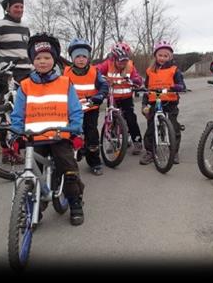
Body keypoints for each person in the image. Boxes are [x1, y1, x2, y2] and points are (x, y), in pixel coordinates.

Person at [10, 33, 85, 226]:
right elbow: (18, 114)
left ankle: (75, 202)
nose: (42, 62)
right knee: (33, 174)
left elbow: (75, 109)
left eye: (47, 58)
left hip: (60, 136)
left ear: (54, 60)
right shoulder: (25, 86)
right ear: (32, 61)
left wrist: (75, 129)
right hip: (34, 139)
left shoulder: (65, 83)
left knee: (69, 169)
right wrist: (16, 133)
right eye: (38, 58)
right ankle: (35, 207)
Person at [0, 0, 34, 163]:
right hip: (8, 73)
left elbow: (29, 51)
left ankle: (25, 146)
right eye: (16, 6)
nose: (20, 9)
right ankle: (6, 151)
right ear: (7, 8)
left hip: (28, 73)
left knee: (29, 111)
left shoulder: (25, 27)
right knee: (8, 112)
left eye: (21, 6)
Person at [63, 38, 109, 176]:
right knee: (68, 136)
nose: (81, 59)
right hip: (71, 111)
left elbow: (104, 85)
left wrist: (100, 96)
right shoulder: (65, 73)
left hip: (90, 109)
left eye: (84, 56)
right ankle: (67, 164)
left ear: (88, 58)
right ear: (72, 58)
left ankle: (94, 162)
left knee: (92, 136)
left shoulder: (95, 72)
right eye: (77, 56)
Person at [140, 40, 186, 165]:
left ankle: (174, 152)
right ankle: (150, 151)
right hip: (155, 101)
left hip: (170, 102)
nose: (162, 58)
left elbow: (182, 85)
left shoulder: (174, 70)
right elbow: (146, 88)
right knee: (151, 126)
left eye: (166, 56)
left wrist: (177, 87)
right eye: (160, 55)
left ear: (170, 57)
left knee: (173, 125)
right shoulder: (150, 71)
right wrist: (145, 104)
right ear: (156, 56)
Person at [96, 42, 144, 155]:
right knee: (111, 120)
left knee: (131, 118)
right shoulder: (107, 64)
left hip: (126, 98)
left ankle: (137, 141)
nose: (122, 64)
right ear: (114, 58)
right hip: (112, 97)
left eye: (125, 61)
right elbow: (95, 70)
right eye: (120, 61)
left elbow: (137, 78)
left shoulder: (130, 66)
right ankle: (113, 142)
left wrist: (136, 81)